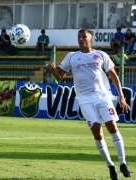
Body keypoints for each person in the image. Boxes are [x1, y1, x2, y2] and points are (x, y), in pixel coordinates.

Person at [46, 29, 131, 180]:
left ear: (91, 39)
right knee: (97, 133)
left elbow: (113, 74)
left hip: (102, 96)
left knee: (112, 126)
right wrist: (53, 70)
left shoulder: (100, 55)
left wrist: (121, 97)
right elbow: (59, 77)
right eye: (79, 37)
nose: (81, 39)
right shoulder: (72, 57)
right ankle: (110, 165)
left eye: (84, 36)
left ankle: (123, 163)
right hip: (85, 100)